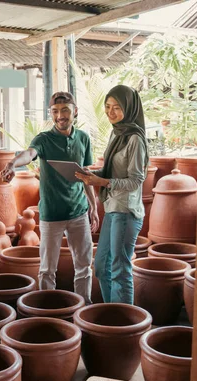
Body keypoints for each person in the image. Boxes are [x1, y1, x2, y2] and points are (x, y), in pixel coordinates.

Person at [0, 92, 99, 305]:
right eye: (55, 111)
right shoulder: (43, 139)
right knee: (47, 269)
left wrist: (94, 206)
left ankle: (84, 307)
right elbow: (29, 154)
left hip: (79, 213)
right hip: (51, 215)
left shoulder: (83, 138)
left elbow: (86, 173)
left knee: (84, 266)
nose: (60, 116)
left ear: (75, 112)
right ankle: (48, 308)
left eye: (65, 110)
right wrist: (12, 164)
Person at [75, 85, 149, 304]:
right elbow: (113, 172)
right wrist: (89, 174)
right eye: (107, 107)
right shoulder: (117, 134)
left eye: (117, 107)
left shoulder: (135, 138)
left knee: (119, 268)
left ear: (129, 108)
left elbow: (136, 180)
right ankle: (112, 314)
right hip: (112, 209)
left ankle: (125, 324)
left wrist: (102, 181)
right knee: (101, 266)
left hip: (126, 211)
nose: (110, 112)